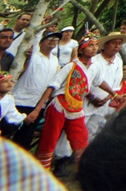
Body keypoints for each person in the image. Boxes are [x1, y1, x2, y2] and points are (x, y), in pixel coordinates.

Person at [35, 32, 97, 173]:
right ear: (82, 49)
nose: (94, 48)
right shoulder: (71, 66)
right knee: (50, 138)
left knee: (81, 138)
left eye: (95, 46)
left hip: (76, 106)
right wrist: (38, 108)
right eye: (90, 45)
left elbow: (88, 88)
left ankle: (82, 171)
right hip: (61, 103)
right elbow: (53, 85)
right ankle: (41, 171)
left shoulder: (94, 67)